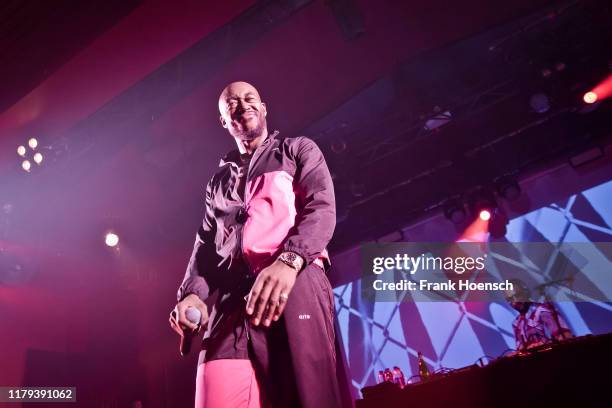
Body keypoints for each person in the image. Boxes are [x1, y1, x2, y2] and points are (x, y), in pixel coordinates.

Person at [168, 81, 342, 408]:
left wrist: (290, 261)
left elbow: (322, 208)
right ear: (224, 121)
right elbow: (205, 249)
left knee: (307, 397)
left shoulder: (297, 150)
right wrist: (191, 294)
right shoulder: (217, 183)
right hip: (233, 301)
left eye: (250, 98)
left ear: (263, 108)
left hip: (295, 280)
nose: (242, 104)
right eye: (232, 102)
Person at [504, 280, 573, 351]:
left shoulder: (543, 310)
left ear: (526, 292)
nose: (514, 301)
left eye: (517, 295)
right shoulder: (516, 324)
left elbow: (566, 337)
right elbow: (520, 350)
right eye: (510, 299)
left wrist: (542, 345)